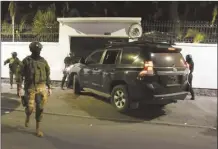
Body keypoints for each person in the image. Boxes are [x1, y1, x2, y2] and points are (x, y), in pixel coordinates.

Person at [17, 41, 52, 137]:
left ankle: (38, 129)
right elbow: (19, 73)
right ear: (31, 50)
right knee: (30, 108)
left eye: (39, 50)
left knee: (40, 108)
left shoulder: (43, 61)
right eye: (35, 50)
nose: (38, 51)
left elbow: (48, 74)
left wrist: (49, 87)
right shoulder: (26, 61)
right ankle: (28, 115)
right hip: (30, 87)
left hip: (41, 87)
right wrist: (19, 87)